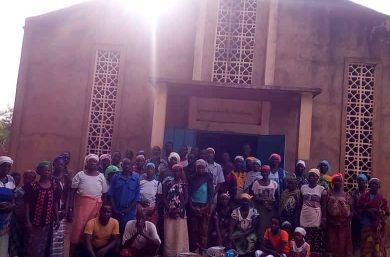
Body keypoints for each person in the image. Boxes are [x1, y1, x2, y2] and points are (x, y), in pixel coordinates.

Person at [70, 154, 108, 255]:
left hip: (96, 208)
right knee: (77, 232)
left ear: (98, 164)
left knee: (91, 232)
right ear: (87, 163)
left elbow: (104, 194)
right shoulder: (80, 174)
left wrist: (103, 208)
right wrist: (70, 207)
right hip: (81, 208)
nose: (92, 163)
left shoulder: (101, 176)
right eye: (90, 161)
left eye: (94, 162)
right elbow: (72, 191)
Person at [25, 161, 60, 257]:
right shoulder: (33, 186)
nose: (47, 172)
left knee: (44, 247)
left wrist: (57, 218)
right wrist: (27, 220)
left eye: (48, 170)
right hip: (34, 222)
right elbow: (27, 203)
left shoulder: (54, 186)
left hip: (47, 222)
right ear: (39, 172)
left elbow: (55, 203)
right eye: (44, 170)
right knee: (32, 246)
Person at [357, 178, 389, 257]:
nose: (374, 185)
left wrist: (377, 213)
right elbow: (358, 209)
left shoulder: (382, 199)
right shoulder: (363, 197)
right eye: (372, 183)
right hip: (366, 224)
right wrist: (367, 211)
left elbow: (386, 212)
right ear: (369, 185)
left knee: (377, 246)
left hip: (377, 226)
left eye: (376, 184)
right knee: (366, 245)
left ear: (379, 186)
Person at [163, 164, 189, 257]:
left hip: (180, 212)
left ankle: (181, 254)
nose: (177, 172)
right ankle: (170, 254)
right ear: (172, 172)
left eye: (179, 171)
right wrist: (170, 209)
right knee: (170, 234)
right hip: (169, 212)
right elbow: (164, 197)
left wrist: (179, 209)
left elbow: (186, 198)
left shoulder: (184, 183)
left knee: (180, 233)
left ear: (181, 172)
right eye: (175, 171)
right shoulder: (168, 183)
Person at [299, 169, 326, 257]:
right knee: (304, 237)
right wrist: (296, 216)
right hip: (304, 215)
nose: (312, 177)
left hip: (316, 216)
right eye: (310, 175)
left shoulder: (321, 189)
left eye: (314, 175)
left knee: (315, 239)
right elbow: (300, 203)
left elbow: (324, 205)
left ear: (318, 178)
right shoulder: (303, 187)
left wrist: (324, 218)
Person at [108, 158, 140, 232]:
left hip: (130, 212)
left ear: (131, 166)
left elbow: (137, 197)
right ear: (121, 165)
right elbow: (111, 194)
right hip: (116, 210)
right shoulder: (115, 177)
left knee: (127, 232)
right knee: (115, 231)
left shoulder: (136, 178)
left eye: (128, 164)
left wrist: (128, 209)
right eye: (125, 164)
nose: (126, 166)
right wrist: (114, 208)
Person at [188, 159, 213, 253]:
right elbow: (189, 194)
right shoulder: (192, 178)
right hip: (193, 206)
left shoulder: (208, 177)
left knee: (204, 229)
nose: (201, 169)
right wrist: (193, 207)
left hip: (205, 206)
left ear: (205, 168)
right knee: (194, 229)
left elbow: (211, 194)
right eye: (199, 167)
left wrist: (206, 207)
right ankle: (194, 248)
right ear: (196, 168)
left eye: (203, 167)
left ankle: (203, 249)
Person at [9, 170, 36, 257]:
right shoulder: (18, 191)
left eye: (31, 179)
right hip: (16, 220)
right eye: (26, 178)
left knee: (26, 243)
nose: (28, 180)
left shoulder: (35, 192)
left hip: (29, 221)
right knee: (14, 242)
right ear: (23, 179)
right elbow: (13, 203)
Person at [325, 173, 352, 257]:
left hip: (344, 224)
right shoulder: (328, 194)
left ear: (342, 182)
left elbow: (352, 210)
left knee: (342, 245)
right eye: (335, 181)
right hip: (331, 223)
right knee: (331, 244)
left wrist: (346, 222)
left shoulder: (346, 195)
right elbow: (324, 208)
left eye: (339, 181)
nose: (337, 183)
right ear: (332, 182)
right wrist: (329, 221)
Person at [251, 164, 278, 240]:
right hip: (260, 208)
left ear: (269, 173)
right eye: (263, 172)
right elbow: (253, 196)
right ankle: (260, 244)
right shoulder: (256, 183)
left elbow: (276, 197)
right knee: (260, 226)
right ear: (261, 173)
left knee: (269, 225)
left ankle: (269, 243)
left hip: (270, 209)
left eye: (267, 172)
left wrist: (272, 205)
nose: (265, 174)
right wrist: (263, 202)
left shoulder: (274, 183)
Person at [51, 155, 72, 257]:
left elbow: (68, 195)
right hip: (51, 211)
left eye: (62, 165)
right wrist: (55, 214)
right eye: (58, 164)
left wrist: (66, 210)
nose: (60, 166)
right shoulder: (50, 178)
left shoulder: (66, 179)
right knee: (50, 235)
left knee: (59, 238)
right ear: (54, 164)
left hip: (62, 211)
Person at [0, 156, 15, 257]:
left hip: (6, 218)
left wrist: (12, 206)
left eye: (9, 167)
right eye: (4, 166)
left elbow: (13, 196)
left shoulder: (11, 179)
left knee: (3, 247)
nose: (7, 169)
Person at [351, 173, 368, 253]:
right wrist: (355, 213)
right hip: (356, 218)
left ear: (366, 182)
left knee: (365, 237)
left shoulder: (368, 193)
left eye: (362, 180)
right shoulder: (354, 193)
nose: (360, 182)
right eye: (359, 180)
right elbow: (352, 205)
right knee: (355, 237)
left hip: (366, 219)